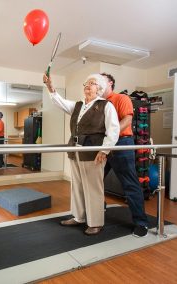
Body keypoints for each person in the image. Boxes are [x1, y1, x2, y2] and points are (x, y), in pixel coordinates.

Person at [43, 73, 119, 235]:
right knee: (76, 186)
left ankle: (96, 222)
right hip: (75, 149)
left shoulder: (106, 105)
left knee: (93, 188)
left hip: (93, 152)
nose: (87, 85)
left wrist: (104, 150)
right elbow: (60, 102)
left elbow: (113, 130)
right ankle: (79, 217)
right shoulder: (78, 105)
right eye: (86, 83)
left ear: (99, 88)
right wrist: (50, 87)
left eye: (92, 83)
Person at [100, 72, 150, 237]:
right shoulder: (99, 103)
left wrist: (110, 138)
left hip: (121, 143)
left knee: (130, 183)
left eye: (102, 81)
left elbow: (127, 121)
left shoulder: (121, 98)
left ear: (111, 83)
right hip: (104, 145)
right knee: (95, 180)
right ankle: (98, 210)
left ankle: (141, 223)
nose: (98, 83)